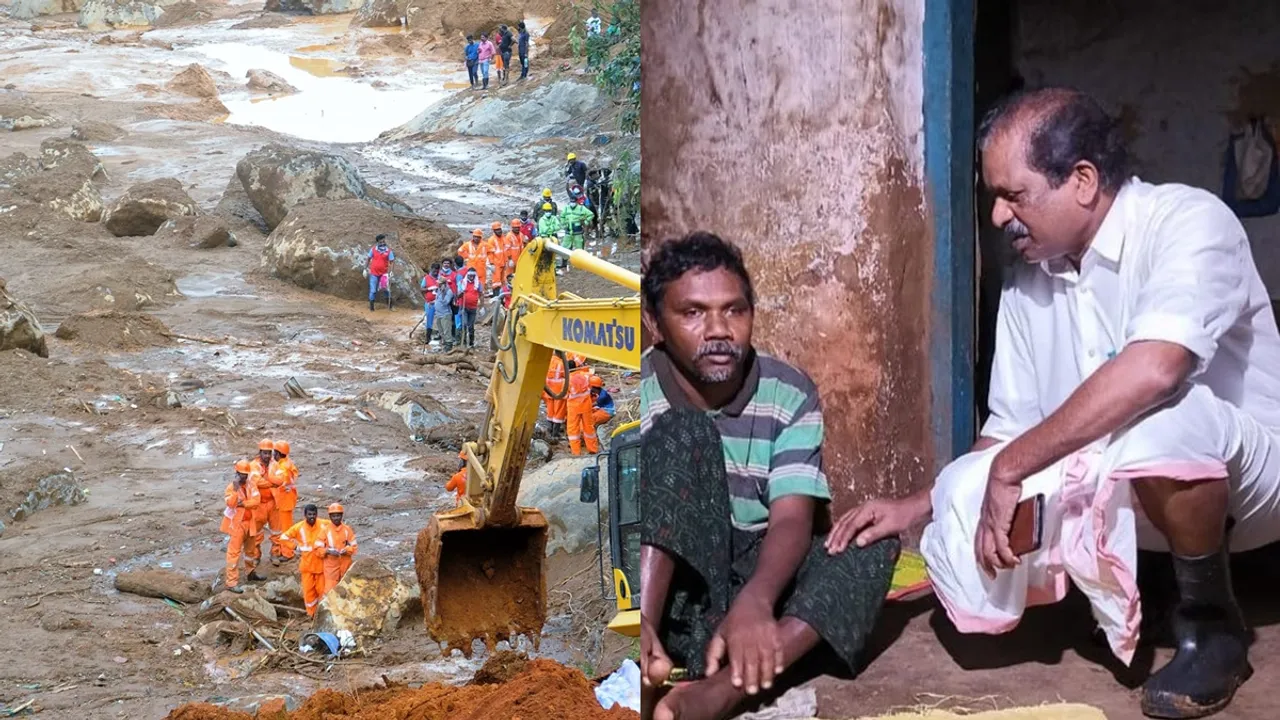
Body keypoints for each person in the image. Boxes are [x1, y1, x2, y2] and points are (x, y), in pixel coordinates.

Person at [828, 88, 1280, 719]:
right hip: (1126, 480)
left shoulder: (1187, 221)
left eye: (1014, 195)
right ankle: (1131, 592)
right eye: (994, 197)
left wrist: (1013, 467)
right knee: (969, 481)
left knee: (1158, 418)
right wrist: (917, 505)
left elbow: (1157, 369)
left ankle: (1212, 627)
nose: (997, 217)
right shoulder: (1027, 283)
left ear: (1084, 182)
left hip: (1250, 486)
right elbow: (1008, 430)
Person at [640, 232, 898, 720]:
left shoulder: (789, 391)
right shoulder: (644, 386)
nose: (718, 329)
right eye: (693, 313)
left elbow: (792, 518)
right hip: (679, 597)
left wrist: (758, 601)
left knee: (872, 540)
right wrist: (644, 623)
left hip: (763, 590)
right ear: (655, 322)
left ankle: (722, 692)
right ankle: (644, 647)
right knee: (683, 432)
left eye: (734, 311)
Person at [280, 504, 331, 616]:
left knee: (322, 592)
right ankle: (311, 614)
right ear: (305, 515)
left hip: (320, 567)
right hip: (307, 567)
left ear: (317, 515)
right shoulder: (299, 527)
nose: (312, 517)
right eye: (309, 514)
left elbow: (337, 528)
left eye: (314, 514)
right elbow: (283, 538)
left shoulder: (324, 524)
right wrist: (294, 547)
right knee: (308, 594)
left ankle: (322, 615)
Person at [222, 460, 262, 593]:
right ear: (237, 473)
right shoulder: (231, 488)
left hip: (250, 523)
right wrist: (235, 490)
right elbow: (231, 504)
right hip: (237, 525)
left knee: (250, 551)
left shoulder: (251, 485)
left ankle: (251, 572)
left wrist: (243, 503)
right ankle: (231, 583)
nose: (244, 477)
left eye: (246, 474)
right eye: (241, 474)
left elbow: (256, 502)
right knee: (234, 554)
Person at [268, 440, 299, 565]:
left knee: (286, 529)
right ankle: (284, 550)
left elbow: (277, 481)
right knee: (284, 527)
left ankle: (288, 552)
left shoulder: (283, 467)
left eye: (274, 452)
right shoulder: (286, 463)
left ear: (279, 453)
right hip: (286, 499)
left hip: (285, 501)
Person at [249, 439, 276, 564]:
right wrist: (272, 483)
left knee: (277, 531)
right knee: (256, 531)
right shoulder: (254, 465)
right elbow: (257, 481)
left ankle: (275, 554)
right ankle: (255, 556)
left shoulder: (274, 464)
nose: (267, 456)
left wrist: (274, 482)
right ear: (260, 452)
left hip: (273, 501)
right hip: (259, 504)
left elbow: (281, 478)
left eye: (269, 453)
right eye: (264, 453)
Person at [565, 359, 599, 455]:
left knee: (573, 430)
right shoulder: (585, 375)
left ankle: (576, 452)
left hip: (573, 407)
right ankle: (593, 449)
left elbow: (564, 394)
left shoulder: (568, 380)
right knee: (589, 427)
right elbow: (592, 379)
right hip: (586, 405)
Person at [323, 503, 357, 592]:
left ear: (341, 516)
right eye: (333, 516)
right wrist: (328, 551)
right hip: (331, 568)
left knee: (347, 591)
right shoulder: (325, 531)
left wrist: (346, 550)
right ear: (330, 517)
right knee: (330, 592)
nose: (336, 518)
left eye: (338, 515)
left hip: (345, 566)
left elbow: (354, 547)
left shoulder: (347, 530)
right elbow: (317, 549)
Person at [366, 234, 395, 311]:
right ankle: (371, 307)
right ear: (378, 242)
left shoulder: (388, 251)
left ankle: (390, 306)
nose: (383, 242)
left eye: (383, 241)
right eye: (381, 241)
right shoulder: (373, 250)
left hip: (384, 274)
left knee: (386, 289)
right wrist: (365, 268)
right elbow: (368, 258)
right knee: (373, 291)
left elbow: (392, 261)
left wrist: (391, 271)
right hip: (374, 273)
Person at [543, 352, 568, 440]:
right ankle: (555, 433)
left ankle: (549, 429)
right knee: (558, 412)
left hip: (548, 390)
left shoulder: (548, 360)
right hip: (559, 390)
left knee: (550, 410)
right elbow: (567, 376)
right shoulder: (561, 364)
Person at [432, 262, 456, 353]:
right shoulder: (438, 290)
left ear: (444, 284)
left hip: (445, 314)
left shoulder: (448, 291)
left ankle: (448, 346)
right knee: (441, 331)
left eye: (440, 284)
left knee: (447, 331)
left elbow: (446, 302)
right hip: (438, 314)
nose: (438, 285)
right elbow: (437, 300)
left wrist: (442, 293)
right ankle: (444, 343)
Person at [457, 267, 483, 348]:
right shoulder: (462, 283)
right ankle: (463, 343)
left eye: (473, 275)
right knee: (464, 324)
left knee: (471, 326)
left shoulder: (478, 283)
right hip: (463, 307)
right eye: (470, 275)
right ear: (467, 275)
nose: (471, 277)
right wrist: (461, 292)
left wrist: (482, 306)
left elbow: (481, 295)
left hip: (473, 308)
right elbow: (458, 295)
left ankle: (471, 343)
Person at [421, 263, 440, 346]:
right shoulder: (426, 278)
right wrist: (428, 289)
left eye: (437, 271)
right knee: (429, 319)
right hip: (429, 303)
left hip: (439, 303)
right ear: (431, 269)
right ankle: (427, 337)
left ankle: (440, 336)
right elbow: (422, 289)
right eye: (434, 270)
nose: (435, 272)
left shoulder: (440, 278)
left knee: (440, 319)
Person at [485, 222, 506, 294]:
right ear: (494, 231)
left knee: (503, 280)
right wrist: (491, 263)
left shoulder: (503, 237)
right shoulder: (491, 240)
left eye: (499, 229)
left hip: (503, 262)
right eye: (497, 230)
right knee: (496, 281)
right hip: (496, 264)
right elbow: (490, 253)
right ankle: (496, 295)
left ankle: (502, 296)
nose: (499, 231)